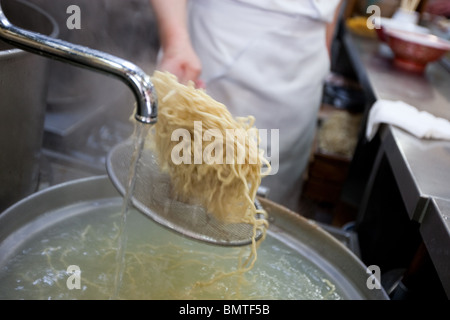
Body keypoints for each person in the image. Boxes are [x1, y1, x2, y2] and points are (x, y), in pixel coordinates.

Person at [149, 0, 342, 212]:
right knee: (184, 193)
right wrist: (175, 41)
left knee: (270, 205)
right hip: (217, 51)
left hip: (302, 75)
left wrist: (325, 44)